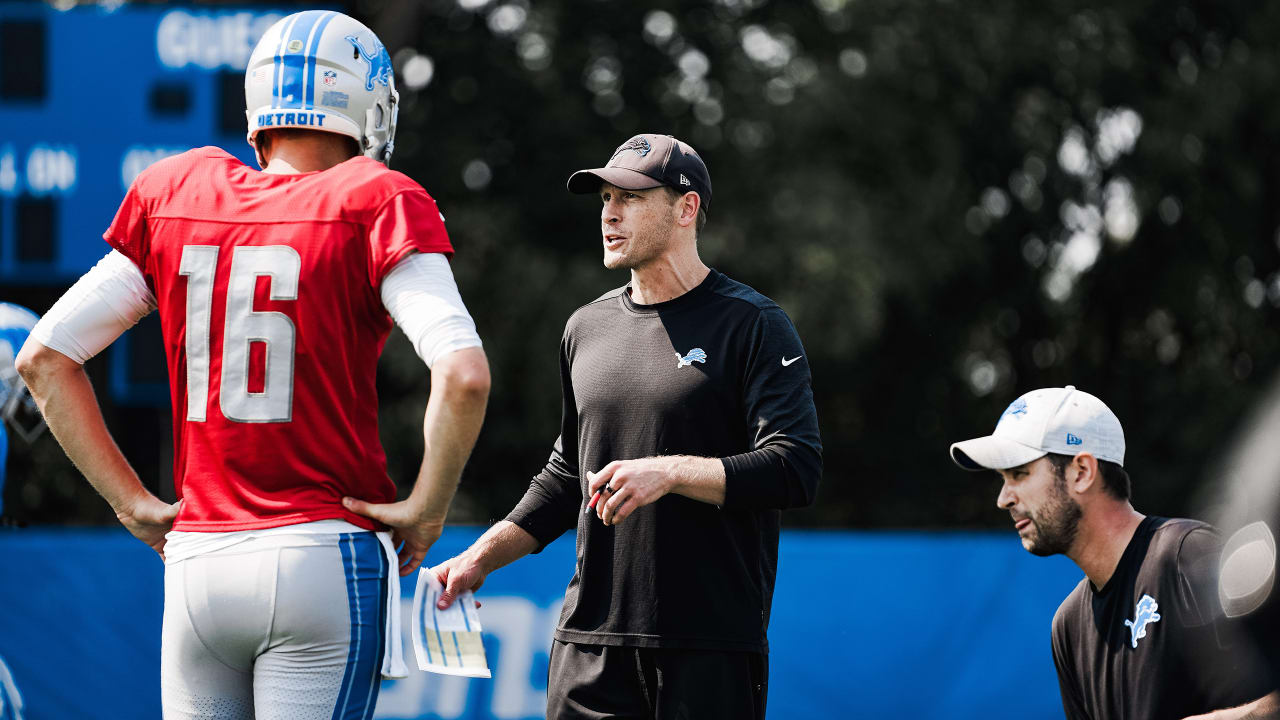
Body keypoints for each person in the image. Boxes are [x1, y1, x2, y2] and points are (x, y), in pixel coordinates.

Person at [16, 11, 489, 719]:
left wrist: (134, 505)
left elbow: (44, 359)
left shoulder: (178, 190)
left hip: (200, 560)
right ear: (364, 102)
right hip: (321, 556)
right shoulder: (376, 198)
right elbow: (464, 373)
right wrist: (427, 507)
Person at [430, 133, 822, 719]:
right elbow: (568, 475)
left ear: (686, 209)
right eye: (606, 198)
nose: (610, 213)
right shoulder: (584, 328)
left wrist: (668, 472)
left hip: (708, 651)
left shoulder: (754, 325)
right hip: (589, 649)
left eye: (632, 198)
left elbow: (795, 467)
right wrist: (479, 558)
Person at [950, 385, 1277, 720]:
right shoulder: (1067, 626)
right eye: (1003, 479)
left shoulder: (1187, 556)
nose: (1003, 499)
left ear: (1082, 472)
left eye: (1019, 474)